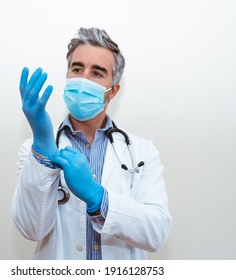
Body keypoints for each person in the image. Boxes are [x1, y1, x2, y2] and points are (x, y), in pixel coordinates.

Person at [11, 27, 172, 260]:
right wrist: (43, 153)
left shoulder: (142, 151)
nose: (83, 79)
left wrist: (99, 198)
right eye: (77, 69)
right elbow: (30, 229)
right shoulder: (32, 150)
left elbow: (156, 232)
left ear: (113, 91)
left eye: (97, 73)